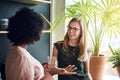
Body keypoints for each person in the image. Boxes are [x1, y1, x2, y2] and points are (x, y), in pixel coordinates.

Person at [5, 7, 77, 80]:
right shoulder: (22, 57)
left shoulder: (14, 50)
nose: (41, 34)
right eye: (40, 30)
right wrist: (51, 73)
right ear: (31, 32)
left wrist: (40, 68)